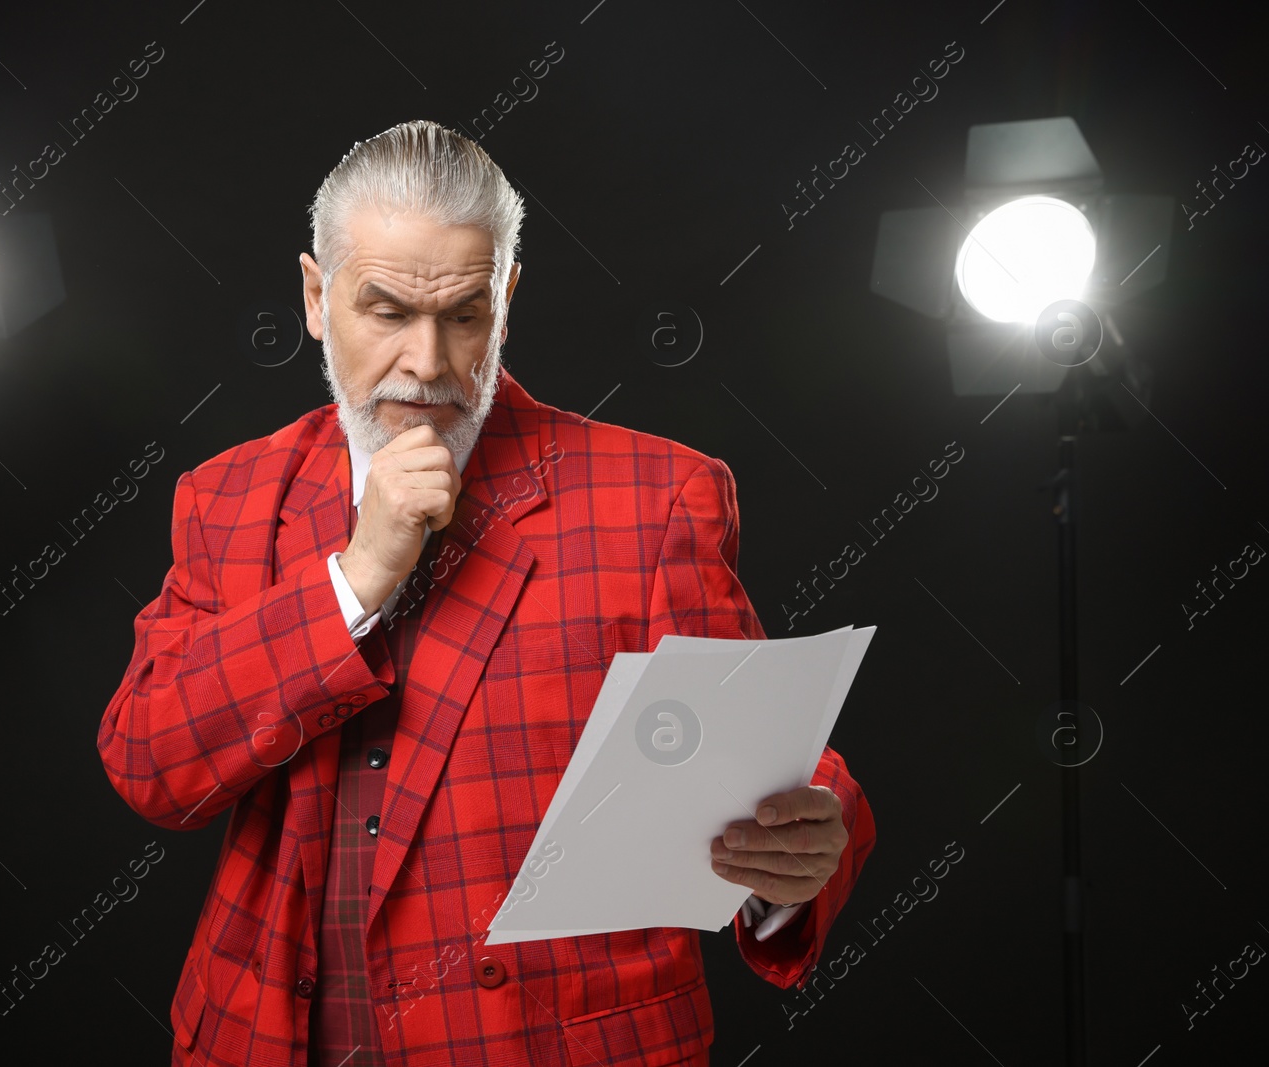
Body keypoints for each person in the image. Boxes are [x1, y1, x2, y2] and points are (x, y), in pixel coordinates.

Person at [99, 119, 875, 1067]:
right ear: (315, 296)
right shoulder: (224, 499)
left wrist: (797, 852)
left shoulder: (655, 495)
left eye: (465, 315)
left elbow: (762, 756)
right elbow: (151, 763)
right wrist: (357, 575)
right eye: (384, 311)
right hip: (266, 1039)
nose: (427, 363)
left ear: (506, 296)